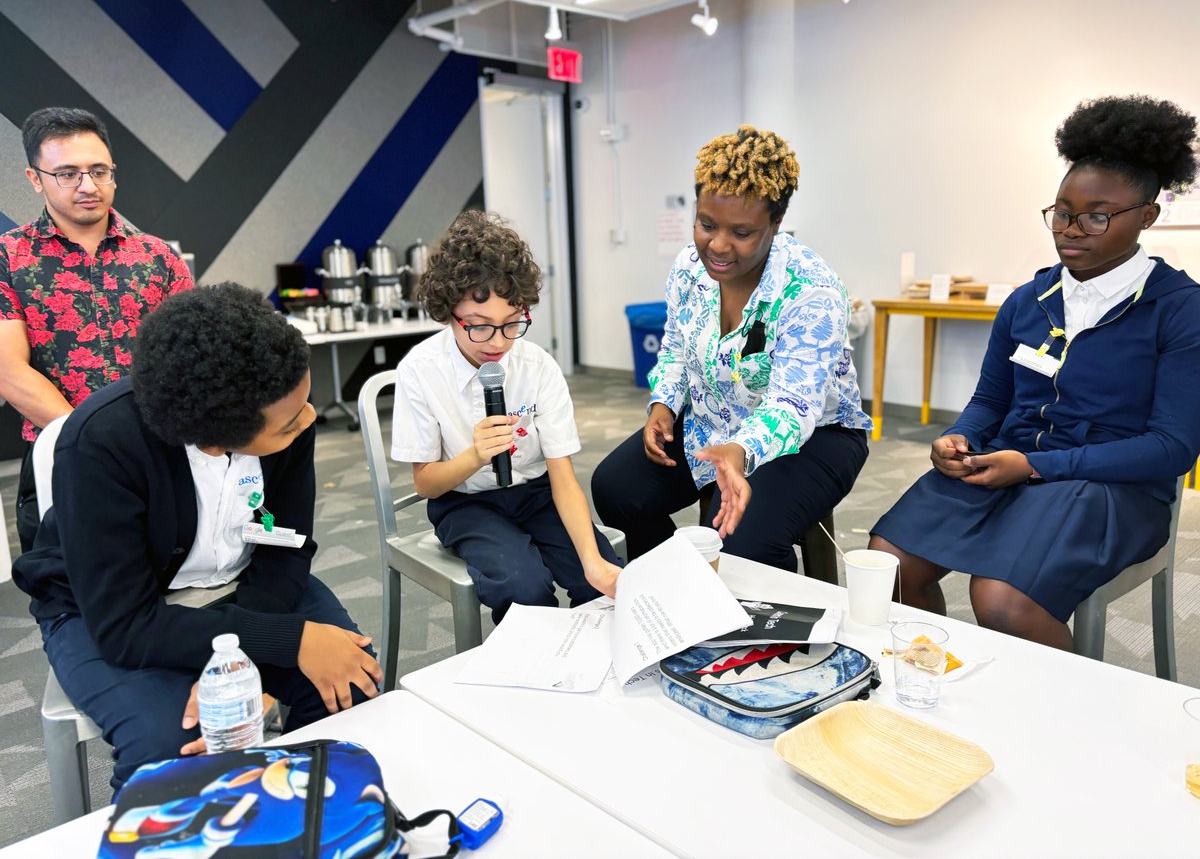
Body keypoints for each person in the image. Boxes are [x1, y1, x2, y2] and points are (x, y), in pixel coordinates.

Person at [12, 283, 381, 793]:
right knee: (174, 749)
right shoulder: (100, 442)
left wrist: (246, 658)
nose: (310, 418)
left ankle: (305, 813)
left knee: (351, 687)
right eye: (290, 422)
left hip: (246, 582)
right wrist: (286, 641)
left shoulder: (287, 410)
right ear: (216, 434)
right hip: (110, 609)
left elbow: (286, 544)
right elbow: (125, 627)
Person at [869, 95, 1200, 650]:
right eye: (1062, 212)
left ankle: (1055, 706)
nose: (1071, 229)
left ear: (1147, 216)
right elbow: (989, 402)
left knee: (1002, 600)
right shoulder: (1029, 299)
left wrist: (1035, 466)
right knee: (889, 566)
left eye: (1097, 216)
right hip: (1009, 462)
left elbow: (1172, 449)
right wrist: (960, 436)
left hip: (1110, 485)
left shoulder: (1179, 309)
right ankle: (936, 683)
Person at [592, 125, 871, 570]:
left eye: (741, 233)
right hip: (713, 418)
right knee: (616, 490)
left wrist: (740, 450)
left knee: (738, 538)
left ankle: (765, 613)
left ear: (776, 223)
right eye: (707, 225)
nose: (717, 246)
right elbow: (675, 349)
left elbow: (794, 405)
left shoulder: (810, 290)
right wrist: (664, 404)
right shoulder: (688, 268)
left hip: (814, 437)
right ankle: (681, 581)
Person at [391, 210, 623, 622]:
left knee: (598, 580)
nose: (498, 343)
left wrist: (592, 561)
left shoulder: (538, 366)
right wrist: (474, 456)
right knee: (523, 587)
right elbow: (426, 482)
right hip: (465, 503)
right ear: (447, 313)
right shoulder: (421, 370)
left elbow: (563, 478)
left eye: (512, 324)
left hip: (537, 493)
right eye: (479, 327)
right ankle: (533, 659)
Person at [0, 107, 192, 552]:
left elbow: (190, 354)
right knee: (69, 583)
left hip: (159, 452)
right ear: (35, 179)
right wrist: (89, 439)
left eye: (99, 171)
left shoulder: (158, 257)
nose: (88, 186)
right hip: (60, 454)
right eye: (67, 174)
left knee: (171, 574)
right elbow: (9, 370)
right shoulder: (9, 258)